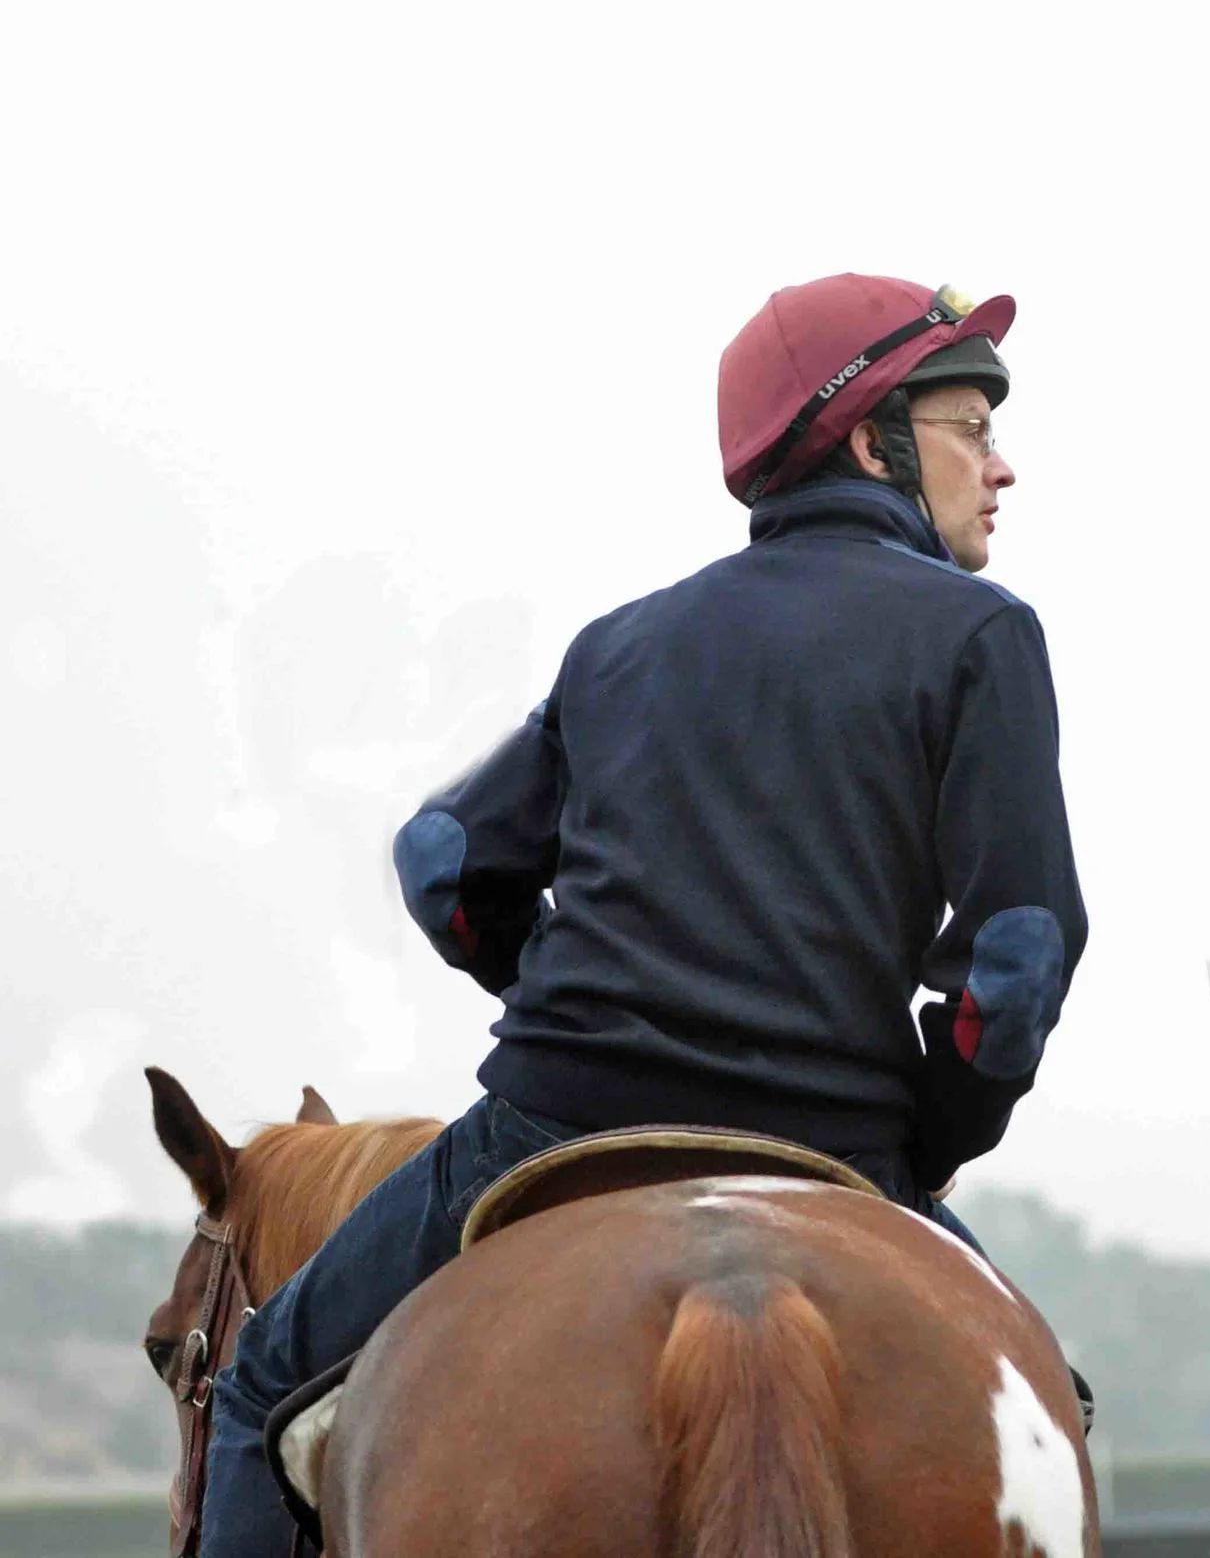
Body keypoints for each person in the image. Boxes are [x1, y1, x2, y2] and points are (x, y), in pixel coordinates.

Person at [198, 274, 1088, 1557]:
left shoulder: (619, 643)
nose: (1001, 468)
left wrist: (561, 996)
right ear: (866, 436)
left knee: (256, 1387)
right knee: (1053, 1410)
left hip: (556, 1117)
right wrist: (925, 1135)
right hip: (838, 1132)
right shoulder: (982, 635)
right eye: (971, 425)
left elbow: (442, 859)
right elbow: (1017, 961)